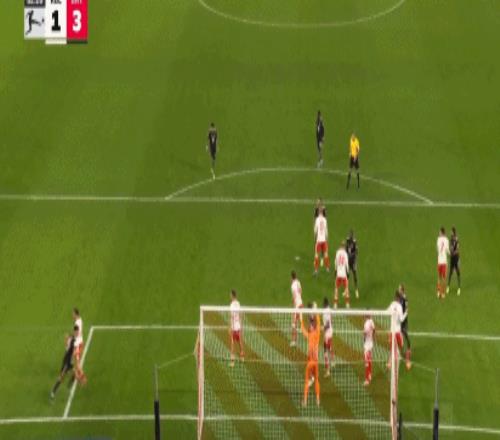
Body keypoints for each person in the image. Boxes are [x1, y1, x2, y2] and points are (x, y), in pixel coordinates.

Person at [50, 326, 78, 399]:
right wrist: (67, 340)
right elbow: (69, 348)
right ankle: (53, 391)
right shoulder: (72, 340)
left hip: (70, 360)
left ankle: (69, 387)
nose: (77, 333)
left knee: (75, 373)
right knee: (62, 377)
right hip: (67, 361)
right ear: (74, 331)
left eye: (77, 332)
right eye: (76, 332)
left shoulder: (73, 338)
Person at [301, 306, 321, 407]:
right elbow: (319, 323)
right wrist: (316, 311)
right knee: (316, 380)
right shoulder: (317, 334)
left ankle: (305, 400)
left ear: (310, 328)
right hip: (316, 363)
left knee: (306, 381)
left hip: (310, 363)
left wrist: (301, 318)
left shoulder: (308, 335)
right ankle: (317, 399)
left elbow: (302, 328)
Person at [387, 291, 408, 369]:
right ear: (399, 298)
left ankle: (389, 363)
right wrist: (406, 313)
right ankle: (405, 360)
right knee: (401, 345)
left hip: (391, 331)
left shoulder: (391, 304)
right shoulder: (399, 306)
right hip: (397, 331)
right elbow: (401, 319)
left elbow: (386, 312)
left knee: (392, 348)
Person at [398, 285, 411, 370]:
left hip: (404, 320)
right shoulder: (399, 298)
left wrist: (404, 316)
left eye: (399, 289)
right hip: (400, 320)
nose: (398, 290)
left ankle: (408, 351)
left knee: (405, 335)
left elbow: (406, 309)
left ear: (402, 290)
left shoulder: (405, 299)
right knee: (399, 336)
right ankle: (400, 352)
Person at [229, 290, 244, 367]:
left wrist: (230, 327)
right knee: (239, 342)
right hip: (238, 326)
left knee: (232, 343)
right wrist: (241, 325)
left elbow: (231, 317)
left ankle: (232, 362)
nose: (229, 296)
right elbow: (240, 314)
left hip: (234, 327)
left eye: (230, 295)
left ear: (232, 295)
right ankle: (242, 357)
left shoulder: (231, 305)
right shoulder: (238, 303)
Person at [314, 207, 330, 275]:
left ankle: (316, 270)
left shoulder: (317, 219)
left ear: (319, 212)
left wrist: (315, 236)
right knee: (326, 254)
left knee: (316, 255)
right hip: (324, 240)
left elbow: (315, 229)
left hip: (318, 240)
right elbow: (326, 230)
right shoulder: (325, 220)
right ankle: (327, 268)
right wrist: (327, 237)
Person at [334, 242, 350, 309]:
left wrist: (335, 270)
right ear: (344, 247)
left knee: (336, 288)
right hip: (343, 274)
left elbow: (335, 262)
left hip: (338, 274)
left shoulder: (337, 252)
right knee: (346, 288)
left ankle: (335, 304)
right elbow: (346, 264)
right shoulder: (345, 254)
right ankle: (347, 303)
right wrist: (348, 272)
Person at [290, 271, 303, 347]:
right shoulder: (298, 282)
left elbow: (294, 295)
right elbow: (301, 291)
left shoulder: (292, 286)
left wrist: (294, 305)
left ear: (291, 277)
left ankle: (294, 341)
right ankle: (305, 332)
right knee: (299, 321)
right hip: (301, 303)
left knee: (294, 324)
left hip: (297, 305)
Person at [447, 226, 461, 296]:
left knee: (458, 272)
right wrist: (450, 252)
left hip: (456, 258)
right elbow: (450, 247)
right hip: (452, 258)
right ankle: (448, 287)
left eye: (451, 231)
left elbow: (457, 250)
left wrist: (452, 253)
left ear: (453, 232)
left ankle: (459, 288)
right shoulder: (451, 239)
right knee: (450, 272)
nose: (450, 233)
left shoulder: (456, 239)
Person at [436, 227, 450, 298]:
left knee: (439, 277)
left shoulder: (438, 239)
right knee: (444, 278)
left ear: (441, 232)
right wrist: (450, 254)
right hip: (444, 261)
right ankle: (443, 293)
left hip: (439, 261)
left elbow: (438, 249)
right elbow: (447, 250)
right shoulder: (447, 240)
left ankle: (438, 292)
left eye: (439, 232)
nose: (439, 233)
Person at [322, 298, 334, 377]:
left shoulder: (325, 312)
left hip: (327, 332)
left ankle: (328, 370)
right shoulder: (329, 309)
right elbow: (331, 320)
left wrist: (322, 328)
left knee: (325, 351)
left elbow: (327, 324)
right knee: (328, 347)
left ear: (324, 304)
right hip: (330, 331)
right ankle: (332, 361)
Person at [346, 230, 359, 298]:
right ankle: (346, 290)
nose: (350, 237)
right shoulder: (347, 241)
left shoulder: (354, 242)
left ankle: (356, 290)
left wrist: (351, 255)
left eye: (351, 236)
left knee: (354, 275)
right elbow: (346, 250)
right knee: (347, 275)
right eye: (350, 236)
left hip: (353, 261)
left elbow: (356, 252)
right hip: (348, 261)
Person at [363, 314, 375, 386]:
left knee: (366, 362)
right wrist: (372, 337)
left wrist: (364, 338)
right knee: (369, 360)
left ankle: (367, 380)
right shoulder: (372, 321)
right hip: (371, 344)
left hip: (367, 345)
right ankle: (370, 374)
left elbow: (365, 333)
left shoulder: (366, 324)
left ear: (366, 316)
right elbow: (374, 330)